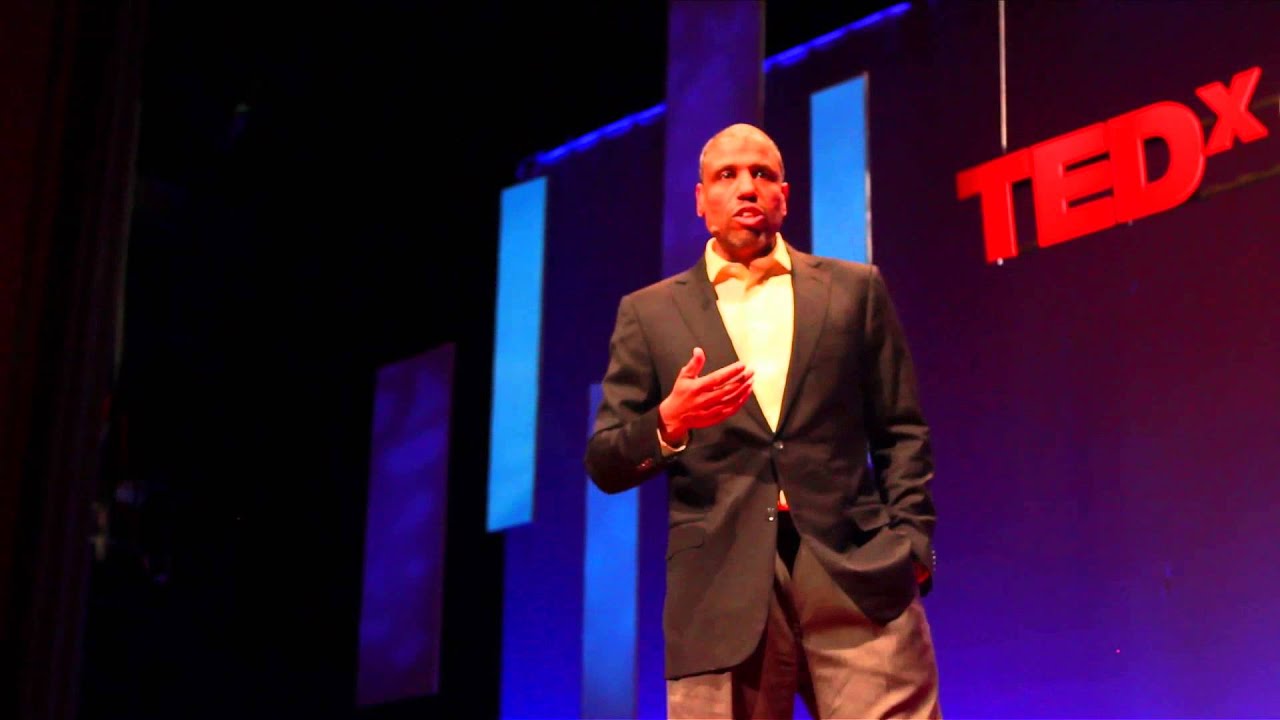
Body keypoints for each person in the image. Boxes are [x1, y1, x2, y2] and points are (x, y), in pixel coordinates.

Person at [584, 123, 941, 719]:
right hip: (719, 588)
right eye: (727, 175)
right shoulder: (649, 313)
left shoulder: (854, 290)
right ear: (701, 201)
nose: (747, 187)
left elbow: (900, 429)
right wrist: (668, 424)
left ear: (785, 196)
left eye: (763, 174)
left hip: (856, 569)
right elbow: (605, 461)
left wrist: (911, 542)